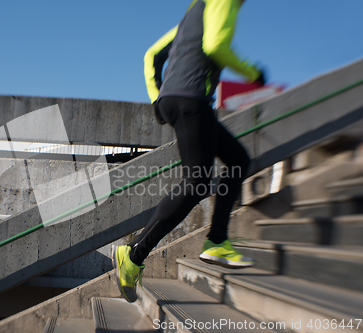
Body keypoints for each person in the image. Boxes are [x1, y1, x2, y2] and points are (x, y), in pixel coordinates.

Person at [112, 0, 265, 303]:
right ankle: (133, 254)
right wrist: (253, 73)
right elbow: (216, 45)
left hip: (175, 99)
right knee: (196, 182)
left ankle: (217, 239)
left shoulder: (191, 15)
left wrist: (157, 97)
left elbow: (152, 54)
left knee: (237, 158)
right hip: (191, 100)